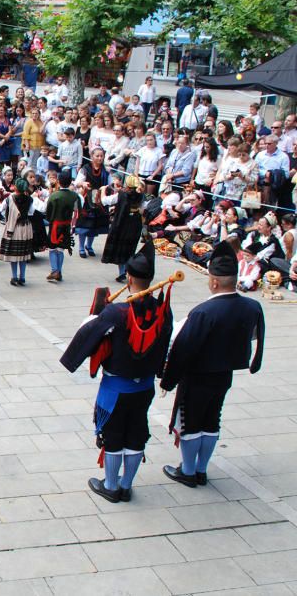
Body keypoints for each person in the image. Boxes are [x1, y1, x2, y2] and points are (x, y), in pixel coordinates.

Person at [60, 240, 174, 503]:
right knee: (136, 433)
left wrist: (96, 318)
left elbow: (89, 333)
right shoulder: (163, 312)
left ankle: (111, 486)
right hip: (144, 387)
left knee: (113, 435)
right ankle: (126, 484)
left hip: (115, 388)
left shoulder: (117, 312)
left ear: (129, 278)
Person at [160, 239, 265, 488]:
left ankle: (187, 470)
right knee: (211, 420)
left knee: (191, 423)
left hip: (197, 376)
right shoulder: (252, 306)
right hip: (224, 375)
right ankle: (201, 469)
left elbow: (182, 347)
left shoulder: (203, 312)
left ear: (215, 281)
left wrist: (168, 379)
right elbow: (253, 335)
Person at [101, 175, 145, 282]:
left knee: (121, 249)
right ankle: (126, 270)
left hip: (122, 225)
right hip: (134, 225)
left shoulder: (122, 195)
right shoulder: (141, 196)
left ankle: (122, 272)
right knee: (130, 249)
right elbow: (143, 209)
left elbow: (105, 201)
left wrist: (103, 190)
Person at [44, 170, 79, 282]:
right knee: (61, 249)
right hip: (66, 225)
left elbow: (47, 211)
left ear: (59, 181)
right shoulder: (74, 196)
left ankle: (55, 270)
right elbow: (76, 210)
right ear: (70, 182)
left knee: (52, 248)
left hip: (55, 225)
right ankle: (59, 271)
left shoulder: (54, 196)